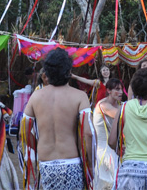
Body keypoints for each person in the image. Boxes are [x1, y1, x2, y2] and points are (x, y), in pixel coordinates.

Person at [22, 48, 94, 190]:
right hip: (71, 162)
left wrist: (38, 145)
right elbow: (88, 133)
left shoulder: (35, 97)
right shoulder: (80, 96)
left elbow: (23, 132)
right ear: (68, 71)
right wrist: (90, 164)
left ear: (47, 72)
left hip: (46, 163)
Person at [93, 78, 121, 190]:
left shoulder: (117, 104)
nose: (120, 92)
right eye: (117, 89)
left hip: (112, 149)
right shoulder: (103, 105)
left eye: (121, 89)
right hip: (105, 151)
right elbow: (124, 115)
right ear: (108, 90)